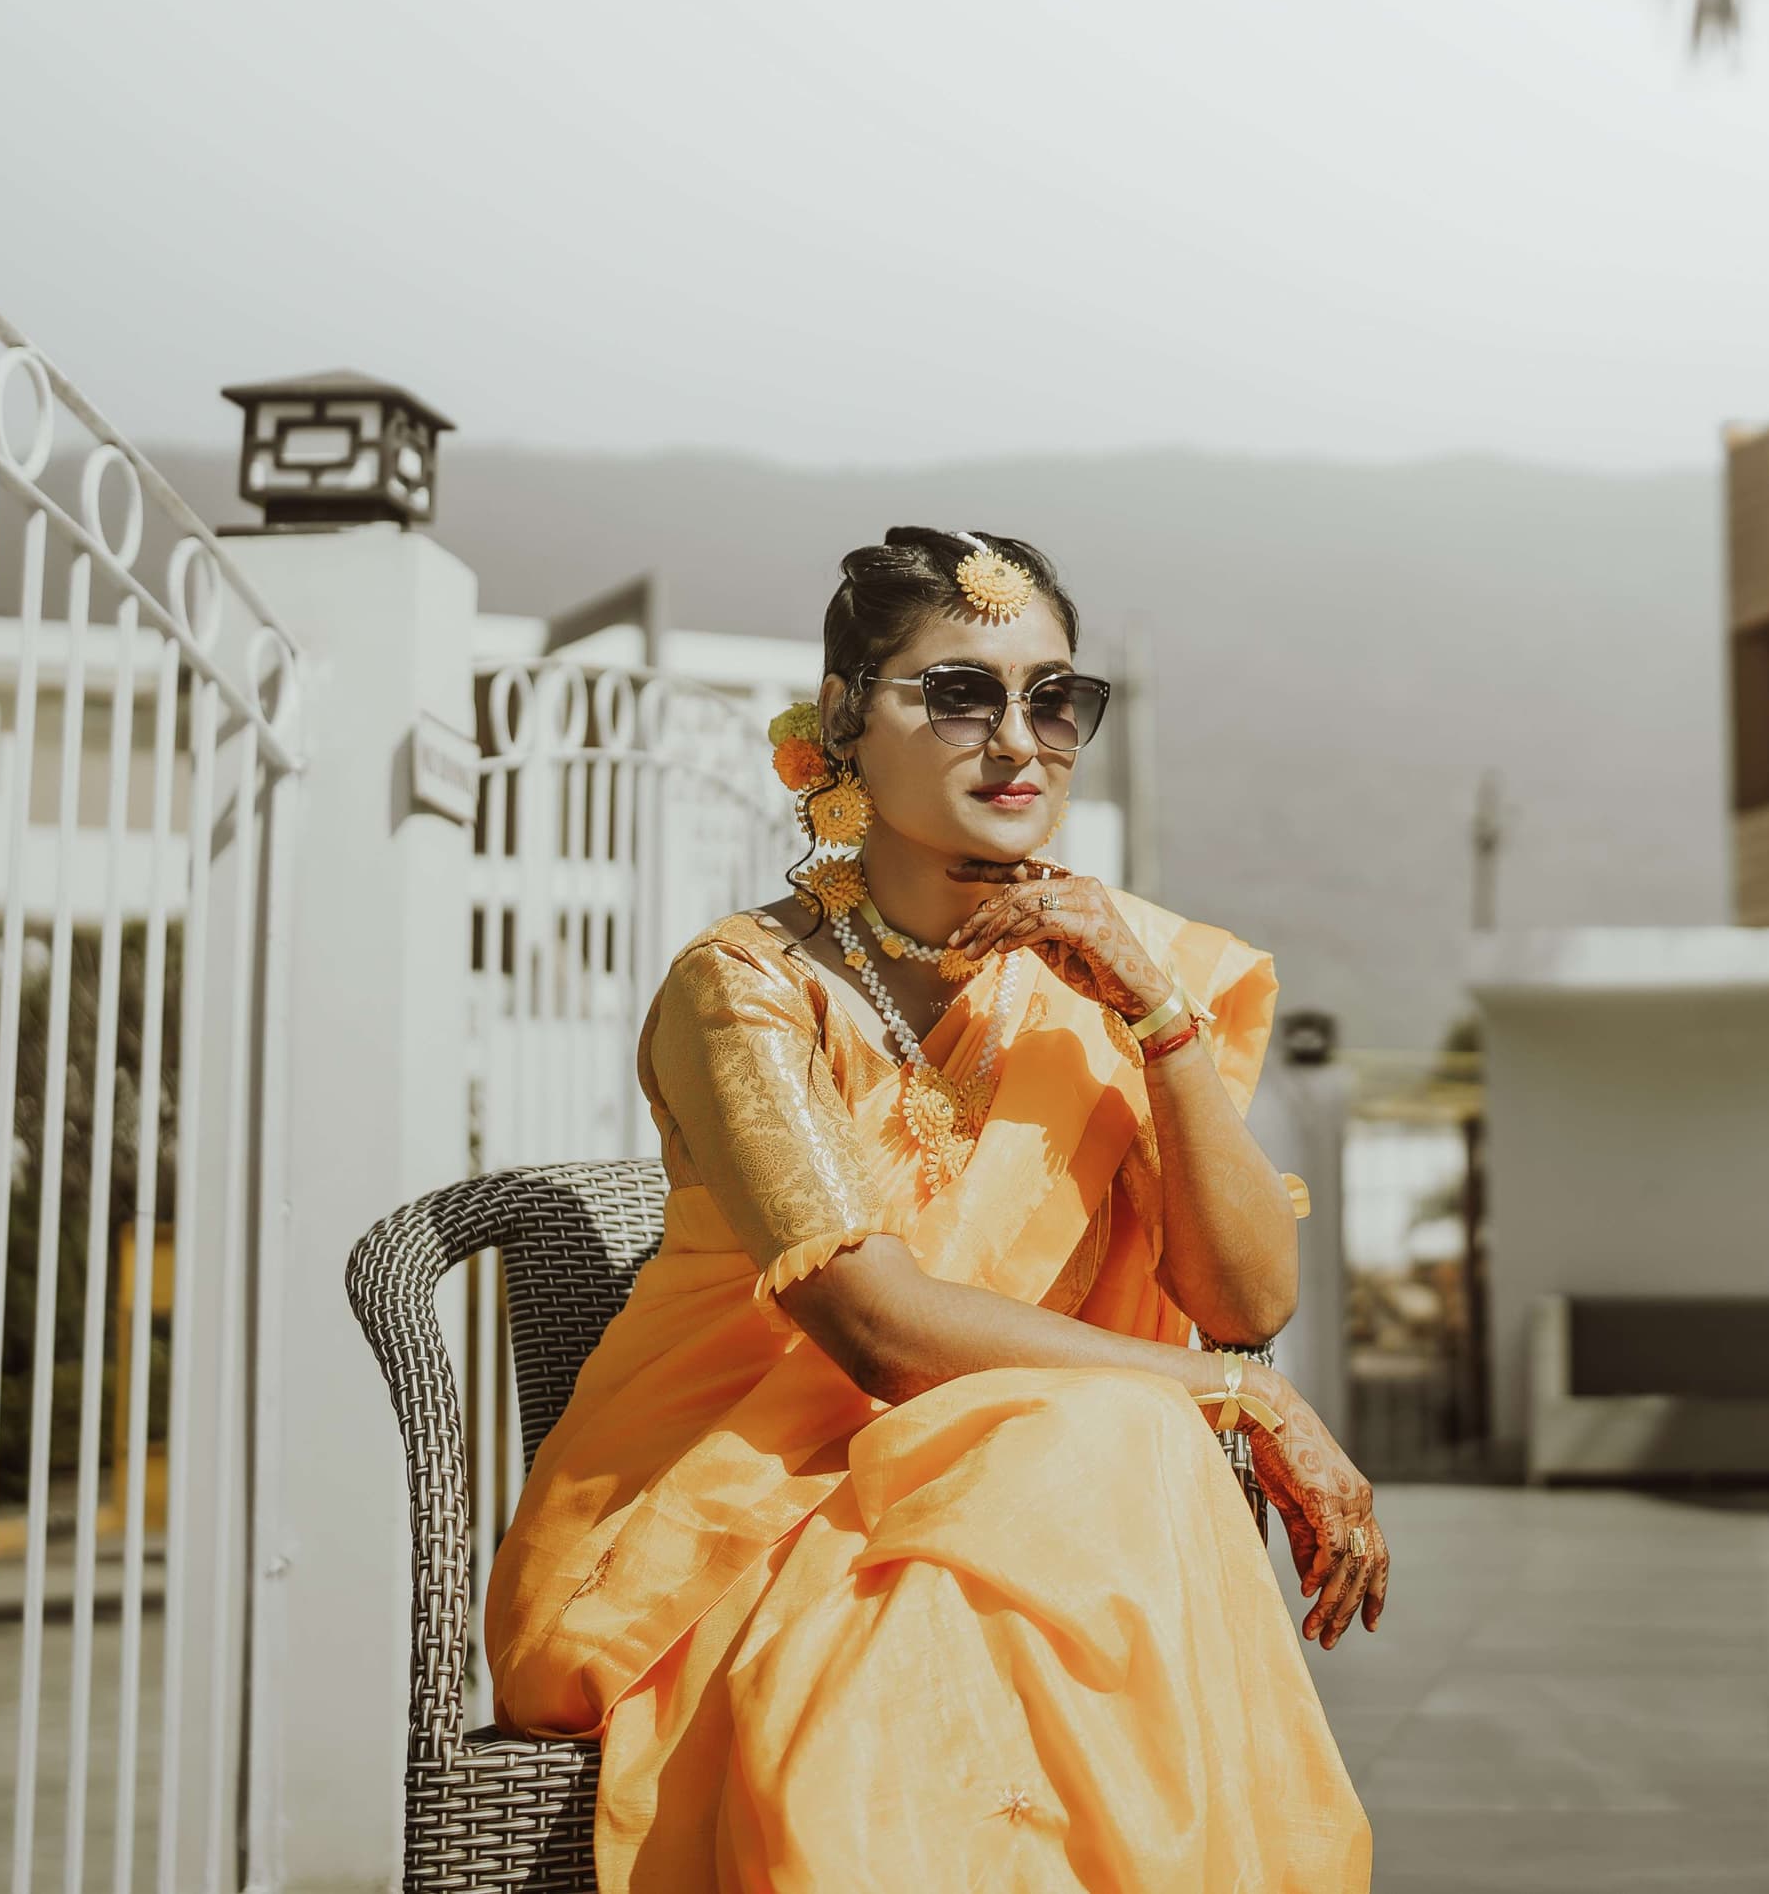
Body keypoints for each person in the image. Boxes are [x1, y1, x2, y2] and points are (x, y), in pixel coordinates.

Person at [487, 527, 1384, 1892]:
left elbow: (1250, 1301)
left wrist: (1154, 1012)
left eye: (1053, 698)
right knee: (1118, 1447)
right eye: (959, 692)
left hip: (1023, 1496)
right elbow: (878, 1326)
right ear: (845, 720)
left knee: (1096, 1458)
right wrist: (1238, 1396)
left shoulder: (1105, 981)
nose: (1017, 739)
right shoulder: (748, 987)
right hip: (729, 1515)